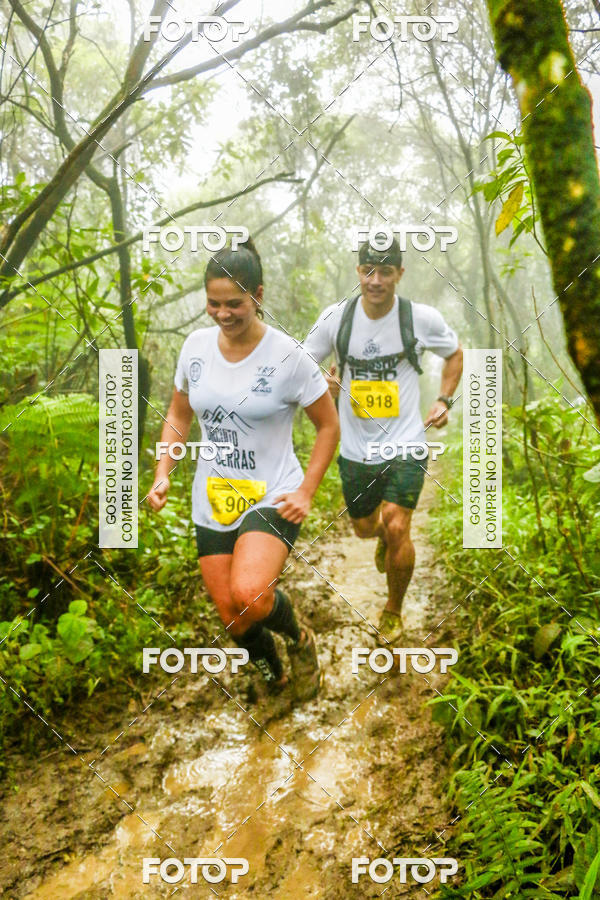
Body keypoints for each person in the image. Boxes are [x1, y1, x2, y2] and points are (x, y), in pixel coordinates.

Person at [148, 237, 339, 701]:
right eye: (213, 304)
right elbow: (178, 414)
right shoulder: (194, 348)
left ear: (258, 296)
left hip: (273, 489)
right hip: (212, 494)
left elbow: (328, 427)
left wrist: (308, 491)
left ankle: (299, 640)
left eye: (234, 303)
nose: (223, 313)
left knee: (251, 593)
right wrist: (162, 473)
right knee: (233, 615)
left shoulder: (288, 357)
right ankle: (272, 671)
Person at [303, 237, 462, 642]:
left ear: (399, 274)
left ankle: (392, 610)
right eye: (368, 271)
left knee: (397, 525)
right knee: (364, 526)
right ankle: (380, 541)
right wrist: (326, 387)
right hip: (357, 449)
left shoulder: (419, 318)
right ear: (358, 272)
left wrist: (444, 400)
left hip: (407, 442)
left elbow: (455, 353)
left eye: (385, 272)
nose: (376, 281)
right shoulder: (337, 319)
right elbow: (301, 367)